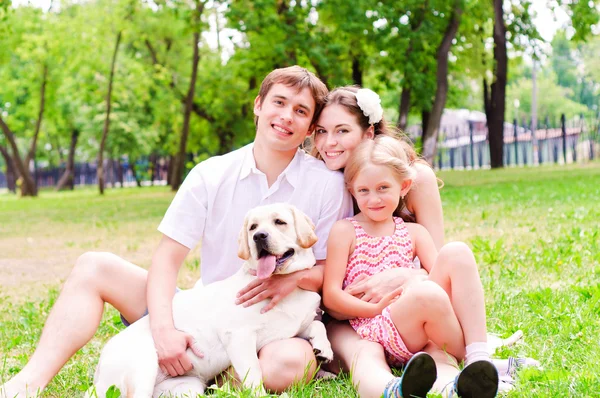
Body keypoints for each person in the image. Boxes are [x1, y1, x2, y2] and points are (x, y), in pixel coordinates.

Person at [0, 66, 353, 398]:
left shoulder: (326, 185)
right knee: (94, 265)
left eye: (301, 111)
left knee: (293, 364)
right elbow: (167, 262)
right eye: (278, 102)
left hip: (277, 320)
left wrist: (290, 280)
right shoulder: (211, 173)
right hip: (200, 312)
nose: (286, 116)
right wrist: (164, 330)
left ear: (309, 128)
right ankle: (29, 382)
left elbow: (330, 269)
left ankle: (207, 374)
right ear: (258, 106)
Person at [322, 135, 499, 398]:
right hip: (371, 328)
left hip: (416, 323)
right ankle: (394, 390)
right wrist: (373, 308)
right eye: (364, 190)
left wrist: (414, 281)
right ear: (352, 189)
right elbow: (332, 296)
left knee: (457, 253)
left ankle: (469, 369)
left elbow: (437, 278)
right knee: (368, 357)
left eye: (383, 188)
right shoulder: (345, 231)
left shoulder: (414, 232)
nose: (374, 199)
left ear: (404, 186)